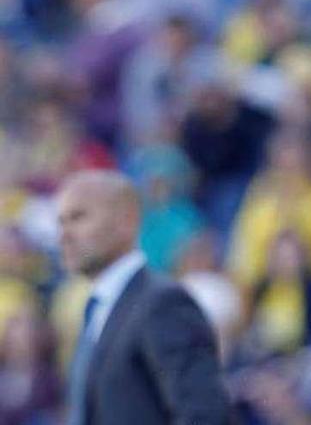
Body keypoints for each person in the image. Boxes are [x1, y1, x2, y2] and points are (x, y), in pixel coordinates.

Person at [56, 169, 231, 424]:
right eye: (60, 222)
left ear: (127, 221)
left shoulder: (163, 304)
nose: (64, 235)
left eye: (78, 217)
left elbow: (204, 414)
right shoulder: (97, 308)